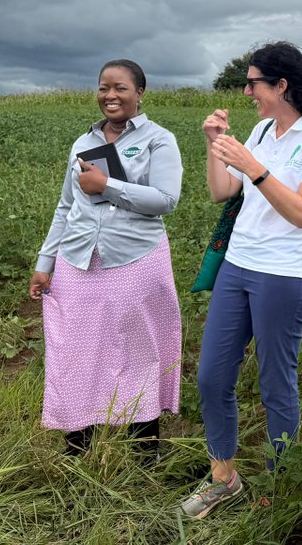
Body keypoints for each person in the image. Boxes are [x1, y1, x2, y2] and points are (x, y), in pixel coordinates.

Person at [183, 42, 302, 519]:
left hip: (284, 274)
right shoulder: (260, 129)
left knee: (276, 383)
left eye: (253, 82)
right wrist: (217, 146)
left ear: (281, 85)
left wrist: (254, 167)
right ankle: (223, 479)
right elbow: (221, 191)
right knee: (212, 376)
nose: (247, 90)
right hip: (239, 265)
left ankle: (281, 484)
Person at [29, 60, 182, 458]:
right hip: (78, 260)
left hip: (136, 258)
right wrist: (45, 264)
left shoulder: (158, 139)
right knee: (76, 349)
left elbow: (166, 200)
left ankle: (144, 446)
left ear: (140, 93)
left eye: (120, 88)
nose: (110, 96)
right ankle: (77, 443)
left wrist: (108, 185)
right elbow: (66, 207)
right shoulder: (83, 144)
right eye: (103, 88)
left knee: (135, 349)